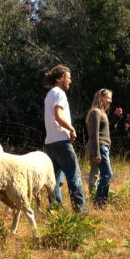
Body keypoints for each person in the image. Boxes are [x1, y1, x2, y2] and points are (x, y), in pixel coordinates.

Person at [43, 64, 87, 212]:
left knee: (54, 180)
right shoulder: (59, 93)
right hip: (61, 141)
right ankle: (79, 211)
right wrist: (71, 129)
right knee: (74, 175)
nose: (70, 81)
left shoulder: (50, 94)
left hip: (50, 142)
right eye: (68, 77)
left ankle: (56, 212)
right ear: (61, 78)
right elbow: (58, 115)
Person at [85, 88, 122, 207]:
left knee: (102, 174)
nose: (110, 101)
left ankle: (100, 202)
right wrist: (96, 153)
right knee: (107, 175)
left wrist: (116, 118)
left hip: (103, 147)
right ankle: (99, 202)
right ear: (101, 97)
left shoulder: (103, 113)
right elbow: (94, 133)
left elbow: (108, 130)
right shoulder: (95, 112)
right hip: (100, 147)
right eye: (108, 98)